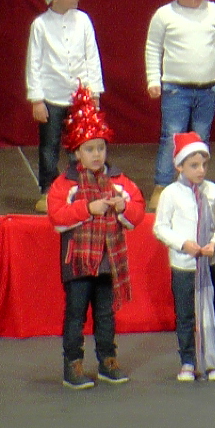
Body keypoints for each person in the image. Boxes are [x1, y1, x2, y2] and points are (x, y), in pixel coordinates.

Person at [44, 88, 144, 389]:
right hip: (77, 262)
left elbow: (138, 210)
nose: (97, 154)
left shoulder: (118, 180)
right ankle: (73, 365)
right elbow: (57, 217)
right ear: (77, 153)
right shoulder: (66, 184)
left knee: (105, 314)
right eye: (90, 149)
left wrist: (122, 207)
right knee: (76, 315)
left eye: (101, 148)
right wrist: (88, 209)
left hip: (107, 261)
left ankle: (107, 360)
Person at [145, 0, 215, 190]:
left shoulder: (214, 12)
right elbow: (153, 48)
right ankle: (162, 186)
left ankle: (195, 183)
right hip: (175, 89)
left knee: (200, 138)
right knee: (172, 136)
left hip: (207, 89)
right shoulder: (164, 15)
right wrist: (153, 79)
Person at [27, 0, 103, 211]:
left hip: (79, 98)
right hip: (52, 97)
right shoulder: (40, 25)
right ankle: (48, 190)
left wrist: (94, 92)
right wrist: (37, 99)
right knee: (49, 146)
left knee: (78, 146)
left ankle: (78, 187)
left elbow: (92, 57)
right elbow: (34, 63)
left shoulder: (83, 21)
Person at [151, 133, 215, 380]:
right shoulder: (171, 194)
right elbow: (161, 227)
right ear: (180, 166)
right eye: (194, 165)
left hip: (208, 263)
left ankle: (212, 361)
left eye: (204, 165)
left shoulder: (212, 191)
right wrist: (183, 244)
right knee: (185, 315)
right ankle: (188, 362)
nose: (201, 170)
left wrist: (214, 243)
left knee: (210, 314)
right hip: (183, 265)